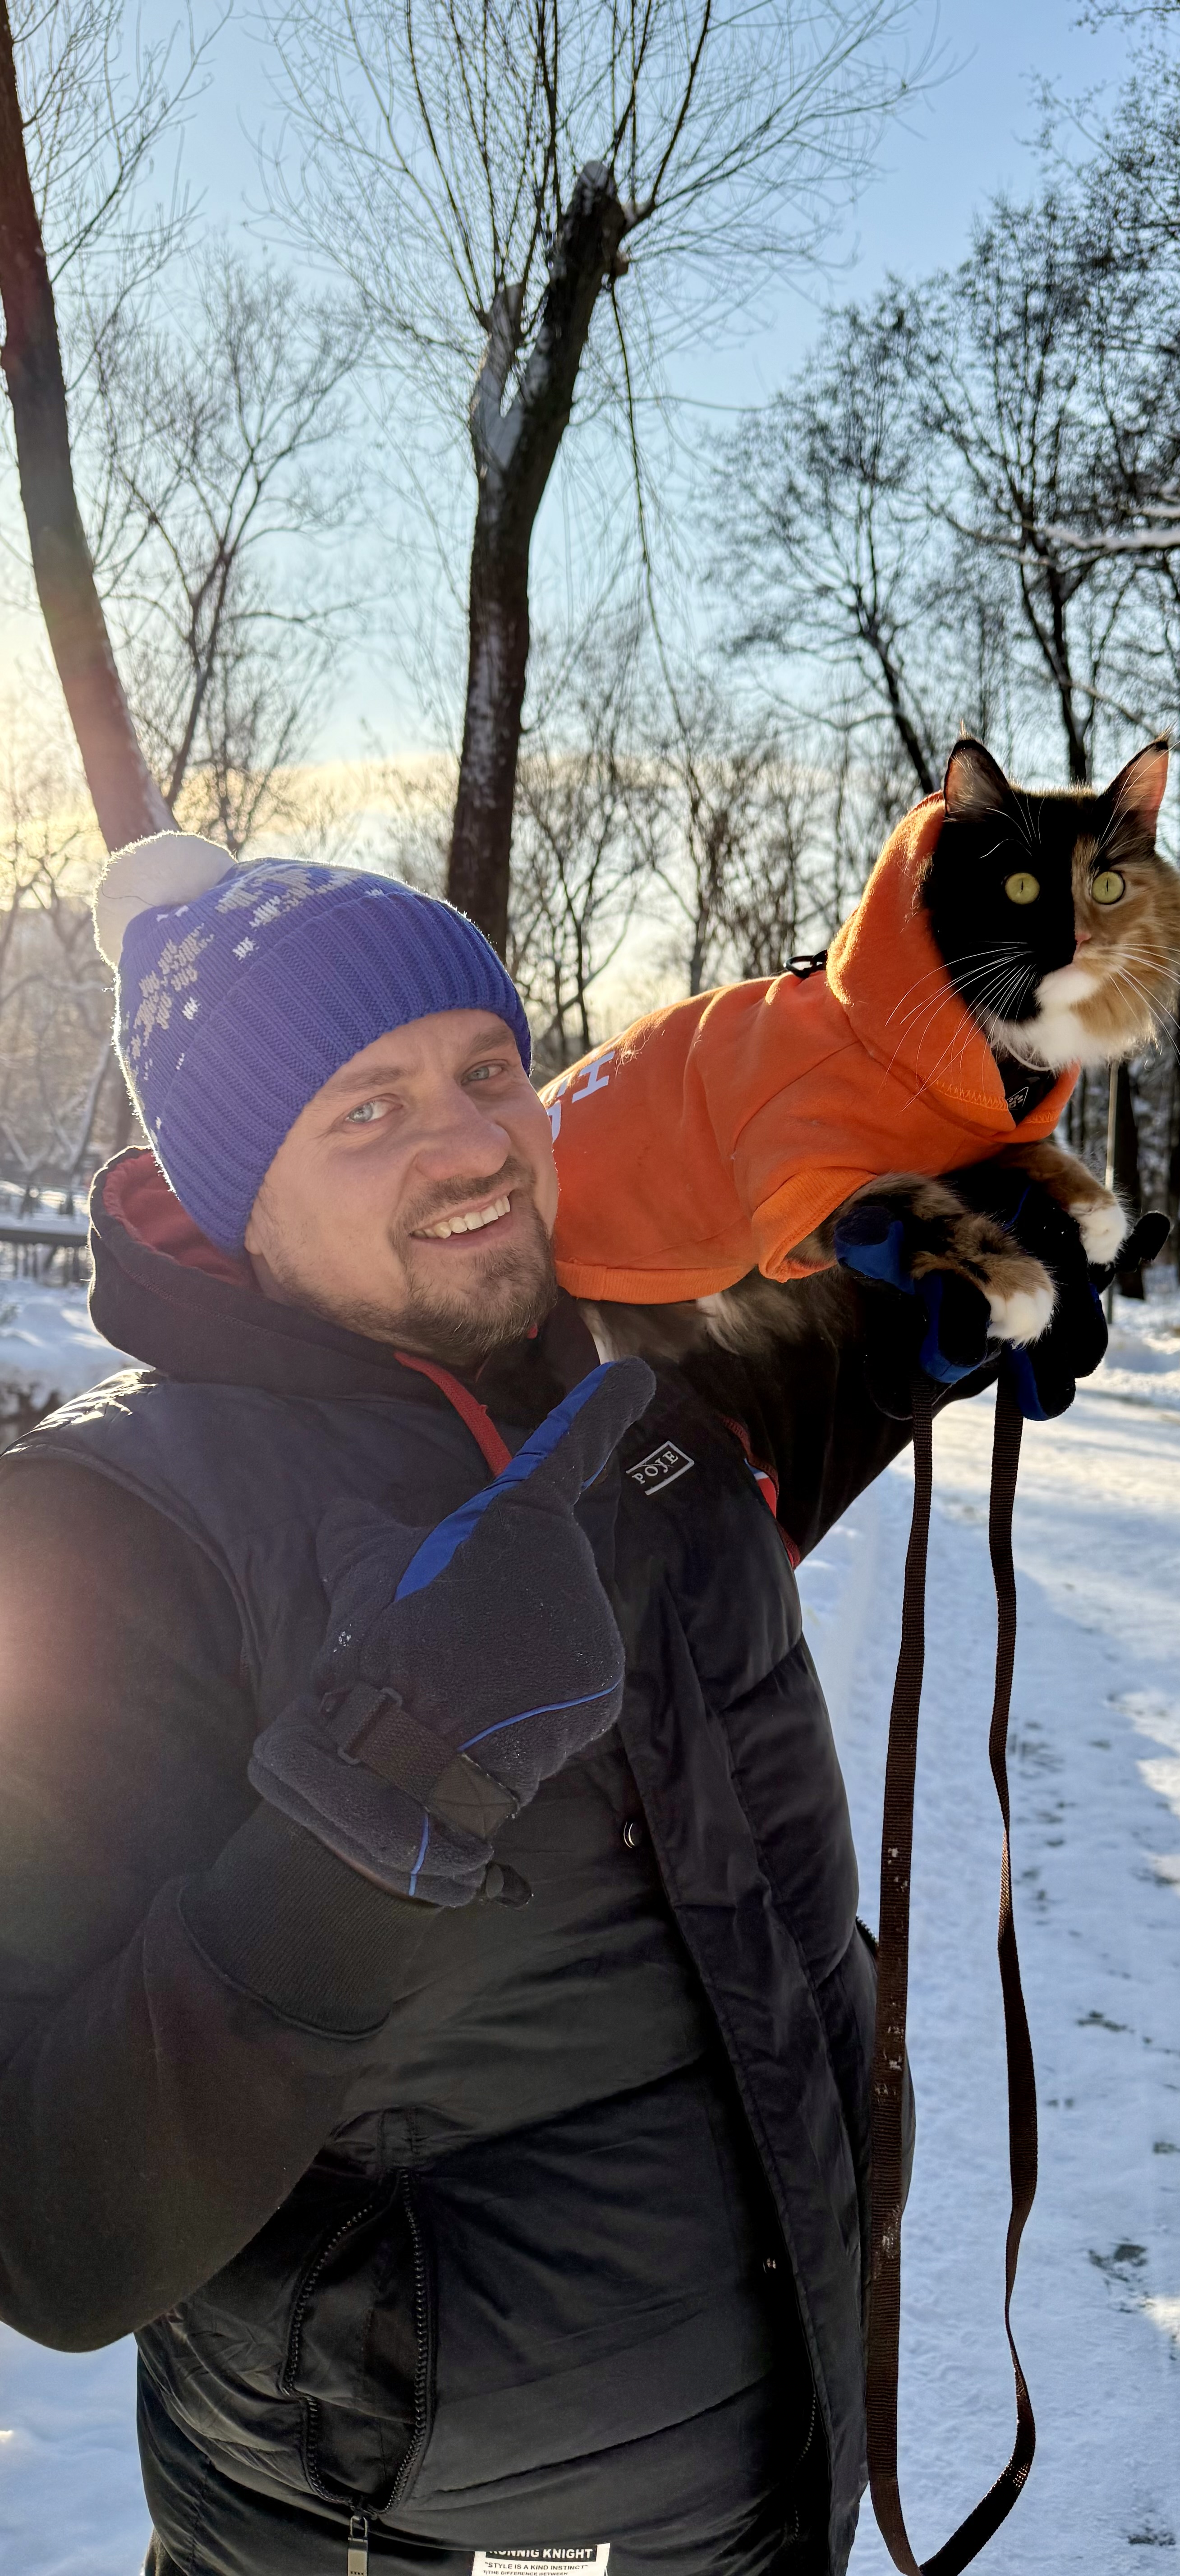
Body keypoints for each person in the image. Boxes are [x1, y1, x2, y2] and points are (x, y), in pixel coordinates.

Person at [0, 834, 936, 2576]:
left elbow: (709, 1542)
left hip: (770, 2458)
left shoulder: (608, 1380)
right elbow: (53, 2230)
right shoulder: (101, 1537)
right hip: (393, 2533)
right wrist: (382, 1790)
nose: (470, 1140)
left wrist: (906, 1338)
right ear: (224, 1195)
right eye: (365, 1107)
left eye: (488, 1069)